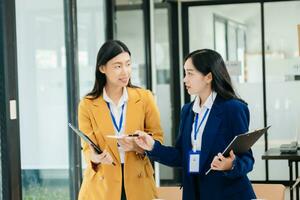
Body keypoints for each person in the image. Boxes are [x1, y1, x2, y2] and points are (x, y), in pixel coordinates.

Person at [135, 49, 256, 200]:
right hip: (194, 193)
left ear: (208, 77)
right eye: (185, 73)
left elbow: (247, 159)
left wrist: (230, 165)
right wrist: (152, 146)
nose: (185, 79)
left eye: (190, 73)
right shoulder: (188, 111)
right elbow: (181, 156)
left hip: (228, 194)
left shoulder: (233, 109)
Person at [78, 40, 163, 200]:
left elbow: (157, 137)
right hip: (103, 185)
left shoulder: (145, 98)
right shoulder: (87, 104)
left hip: (138, 181)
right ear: (102, 68)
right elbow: (87, 146)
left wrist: (138, 146)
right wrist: (94, 157)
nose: (125, 71)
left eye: (128, 64)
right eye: (117, 66)